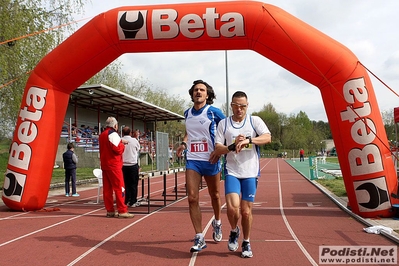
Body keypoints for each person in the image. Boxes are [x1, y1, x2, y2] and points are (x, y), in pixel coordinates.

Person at [212, 91, 271, 258]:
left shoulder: (254, 121)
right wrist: (232, 145)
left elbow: (267, 137)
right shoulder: (224, 124)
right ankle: (233, 230)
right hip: (232, 171)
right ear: (231, 106)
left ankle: (246, 242)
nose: (239, 109)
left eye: (243, 106)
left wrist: (249, 140)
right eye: (236, 106)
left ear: (247, 105)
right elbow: (217, 149)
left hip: (250, 172)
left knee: (245, 212)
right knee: (232, 208)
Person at [176, 79, 225, 253]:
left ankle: (217, 222)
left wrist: (220, 150)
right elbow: (190, 131)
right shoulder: (187, 113)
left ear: (207, 94)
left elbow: (227, 129)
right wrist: (183, 143)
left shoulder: (214, 112)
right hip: (193, 160)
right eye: (196, 90)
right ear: (192, 93)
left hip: (210, 160)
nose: (198, 92)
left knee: (215, 195)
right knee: (192, 198)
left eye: (202, 90)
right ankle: (199, 236)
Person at [99, 117, 134, 218]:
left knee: (107, 189)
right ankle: (122, 210)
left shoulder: (102, 135)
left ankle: (110, 210)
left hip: (105, 164)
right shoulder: (113, 134)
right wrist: (122, 144)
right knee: (120, 188)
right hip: (114, 165)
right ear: (115, 125)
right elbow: (117, 149)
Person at [122, 126, 141, 207]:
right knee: (133, 184)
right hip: (132, 165)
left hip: (123, 165)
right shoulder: (134, 141)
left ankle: (125, 200)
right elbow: (138, 149)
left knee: (125, 184)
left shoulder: (120, 140)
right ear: (130, 133)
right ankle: (133, 201)